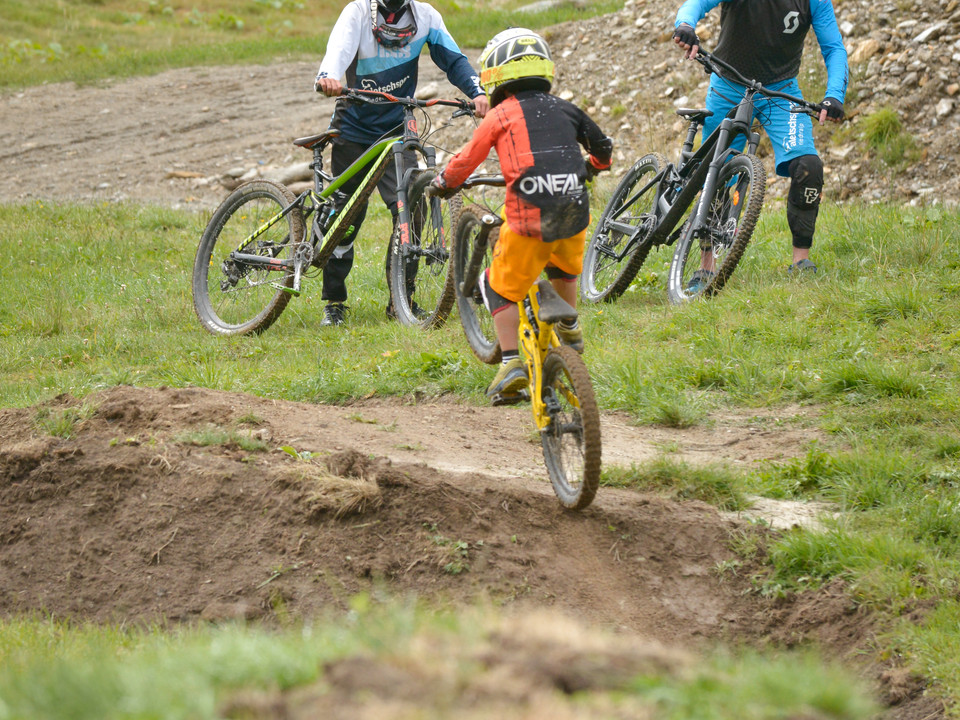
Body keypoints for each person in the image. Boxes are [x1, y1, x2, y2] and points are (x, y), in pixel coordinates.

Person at [430, 28, 613, 403]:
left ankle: (511, 362)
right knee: (564, 268)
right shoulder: (566, 107)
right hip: (574, 215)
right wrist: (593, 166)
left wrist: (445, 183)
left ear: (494, 74)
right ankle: (571, 326)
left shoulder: (500, 115)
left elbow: (466, 160)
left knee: (495, 285)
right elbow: (603, 147)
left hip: (530, 222)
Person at [314, 0, 489, 326]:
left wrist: (477, 92)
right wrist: (329, 76)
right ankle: (334, 303)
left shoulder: (425, 16)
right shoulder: (358, 12)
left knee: (413, 206)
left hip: (398, 130)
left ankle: (401, 301)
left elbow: (454, 60)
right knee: (348, 215)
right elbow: (339, 47)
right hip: (353, 129)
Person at [672, 0, 848, 282]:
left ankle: (800, 263)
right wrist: (685, 25)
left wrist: (834, 94)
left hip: (780, 91)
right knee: (715, 171)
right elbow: (696, 3)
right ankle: (706, 267)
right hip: (728, 84)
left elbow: (833, 47)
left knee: (809, 167)